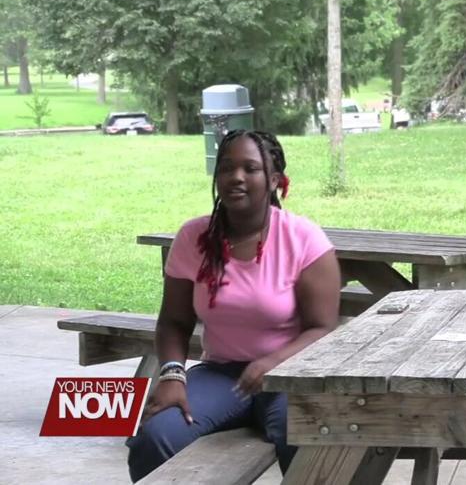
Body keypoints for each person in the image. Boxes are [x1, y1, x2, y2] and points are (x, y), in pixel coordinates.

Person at [127, 130, 341, 482]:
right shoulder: (193, 238)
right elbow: (174, 322)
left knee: (309, 439)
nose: (236, 177)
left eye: (250, 168)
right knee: (156, 436)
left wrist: (270, 364)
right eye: (227, 167)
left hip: (290, 376)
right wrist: (171, 375)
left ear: (274, 180)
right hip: (221, 375)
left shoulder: (303, 238)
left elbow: (322, 327)